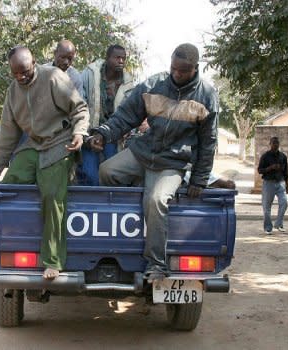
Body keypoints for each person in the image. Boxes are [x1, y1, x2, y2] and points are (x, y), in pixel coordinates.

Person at [88, 43, 218, 281]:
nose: (177, 74)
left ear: (195, 68)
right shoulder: (153, 85)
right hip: (143, 151)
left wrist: (199, 179)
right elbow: (125, 116)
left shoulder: (207, 96)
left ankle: (156, 263)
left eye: (183, 71)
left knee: (157, 199)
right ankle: (128, 232)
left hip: (172, 162)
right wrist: (103, 133)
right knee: (107, 171)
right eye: (174, 68)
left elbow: (208, 143)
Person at [0, 46, 89, 280]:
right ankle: (15, 242)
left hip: (60, 142)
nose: (21, 77)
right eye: (16, 73)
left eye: (24, 71)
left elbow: (80, 108)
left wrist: (80, 133)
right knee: (10, 184)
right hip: (33, 145)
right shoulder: (13, 92)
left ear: (34, 62)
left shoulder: (54, 77)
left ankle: (53, 260)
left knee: (53, 196)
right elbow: (7, 134)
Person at [78, 44, 136, 185]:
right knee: (90, 174)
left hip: (113, 135)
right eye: (117, 58)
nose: (121, 61)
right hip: (90, 132)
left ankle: (108, 205)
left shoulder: (128, 83)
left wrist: (129, 130)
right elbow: (79, 102)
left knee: (111, 173)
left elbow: (131, 110)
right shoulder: (90, 73)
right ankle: (90, 204)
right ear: (107, 58)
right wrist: (83, 132)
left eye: (123, 58)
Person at [257, 136, 288, 234]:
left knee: (284, 203)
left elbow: (286, 172)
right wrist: (270, 168)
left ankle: (278, 224)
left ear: (279, 144)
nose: (275, 145)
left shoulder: (283, 156)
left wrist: (287, 185)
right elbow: (259, 170)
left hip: (281, 183)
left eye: (277, 143)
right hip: (268, 183)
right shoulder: (265, 156)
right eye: (273, 143)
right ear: (270, 144)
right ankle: (268, 228)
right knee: (267, 207)